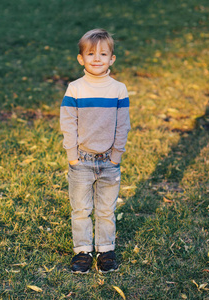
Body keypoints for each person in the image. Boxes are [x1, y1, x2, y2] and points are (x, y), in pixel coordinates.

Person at [60, 28, 130, 274]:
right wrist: (72, 156)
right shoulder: (75, 89)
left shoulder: (118, 89)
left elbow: (123, 125)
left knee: (105, 209)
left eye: (103, 54)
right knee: (81, 208)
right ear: (81, 59)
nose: (97, 58)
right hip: (82, 161)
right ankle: (82, 250)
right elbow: (68, 123)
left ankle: (105, 249)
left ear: (112, 59)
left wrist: (116, 155)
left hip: (109, 161)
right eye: (91, 54)